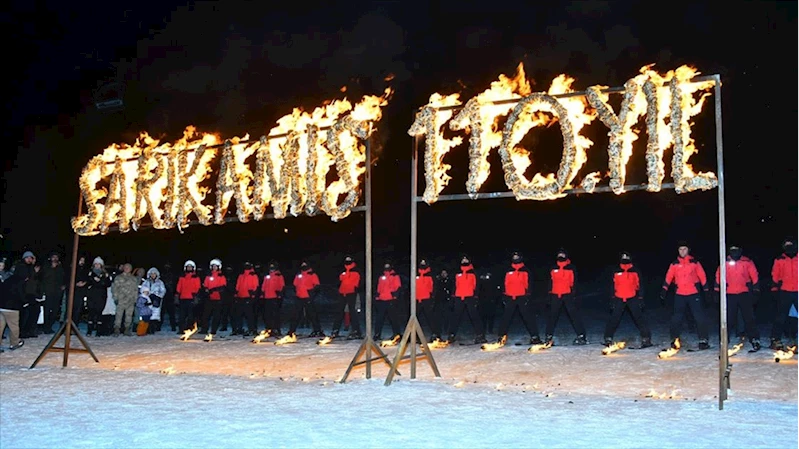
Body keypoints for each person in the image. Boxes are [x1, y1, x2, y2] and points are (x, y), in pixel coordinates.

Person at [660, 241, 710, 350]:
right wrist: (664, 289)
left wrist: (706, 290)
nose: (682, 251)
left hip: (693, 293)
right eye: (680, 249)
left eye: (685, 249)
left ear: (688, 250)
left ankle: (703, 339)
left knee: (699, 317)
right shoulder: (674, 264)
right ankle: (674, 339)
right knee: (676, 318)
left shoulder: (694, 262)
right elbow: (669, 276)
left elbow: (702, 276)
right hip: (680, 294)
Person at [713, 246, 760, 351]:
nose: (735, 252)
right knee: (728, 319)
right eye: (732, 250)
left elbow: (754, 275)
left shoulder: (747, 261)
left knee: (749, 318)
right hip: (730, 294)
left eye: (737, 250)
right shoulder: (724, 262)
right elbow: (718, 276)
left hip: (744, 293)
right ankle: (724, 340)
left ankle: (755, 339)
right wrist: (716, 290)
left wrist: (756, 289)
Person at [603, 251, 652, 348]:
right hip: (619, 297)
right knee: (614, 319)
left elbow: (640, 285)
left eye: (627, 256)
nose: (625, 258)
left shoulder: (635, 270)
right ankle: (608, 337)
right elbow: (612, 285)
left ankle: (646, 338)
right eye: (623, 256)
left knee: (639, 318)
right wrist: (612, 298)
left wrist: (641, 298)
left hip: (632, 297)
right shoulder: (616, 271)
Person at [496, 252, 541, 345]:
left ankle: (535, 336)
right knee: (506, 318)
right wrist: (504, 296)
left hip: (522, 297)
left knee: (528, 317)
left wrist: (528, 296)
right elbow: (503, 283)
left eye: (517, 257)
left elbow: (530, 284)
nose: (515, 258)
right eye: (514, 257)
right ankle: (501, 337)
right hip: (509, 297)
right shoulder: (508, 270)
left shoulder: (526, 270)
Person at [545, 249, 585, 345]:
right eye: (559, 254)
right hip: (555, 294)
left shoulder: (571, 268)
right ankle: (548, 336)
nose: (561, 256)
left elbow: (574, 282)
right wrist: (548, 294)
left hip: (568, 294)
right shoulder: (553, 268)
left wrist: (574, 294)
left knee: (573, 315)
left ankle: (581, 335)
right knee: (552, 316)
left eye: (562, 254)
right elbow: (550, 282)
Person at [447, 255, 485, 344]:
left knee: (474, 316)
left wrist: (476, 297)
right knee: (455, 317)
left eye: (466, 259)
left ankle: (480, 335)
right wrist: (453, 297)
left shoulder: (473, 273)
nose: (464, 260)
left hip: (470, 297)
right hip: (459, 297)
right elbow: (454, 285)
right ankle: (451, 334)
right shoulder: (457, 273)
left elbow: (477, 286)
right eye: (463, 259)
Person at [769, 237, 798, 350]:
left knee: (796, 317)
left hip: (797, 291)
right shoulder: (780, 260)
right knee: (780, 316)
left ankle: (795, 337)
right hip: (785, 291)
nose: (789, 248)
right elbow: (775, 275)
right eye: (787, 245)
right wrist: (774, 288)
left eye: (791, 245)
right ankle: (775, 339)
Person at [288, 260, 323, 337]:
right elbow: (295, 285)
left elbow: (317, 286)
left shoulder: (312, 275)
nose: (303, 266)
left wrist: (311, 294)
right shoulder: (298, 275)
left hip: (308, 297)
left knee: (312, 314)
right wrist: (296, 292)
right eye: (302, 265)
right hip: (299, 297)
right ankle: (291, 331)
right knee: (296, 314)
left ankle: (317, 330)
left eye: (305, 265)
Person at [330, 255, 362, 339]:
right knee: (339, 312)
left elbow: (358, 283)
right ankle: (335, 330)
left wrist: (355, 289)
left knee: (352, 312)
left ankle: (356, 330)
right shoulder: (343, 270)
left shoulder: (356, 271)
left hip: (351, 293)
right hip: (342, 292)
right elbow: (338, 280)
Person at [0, 257, 24, 350]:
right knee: (13, 325)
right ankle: (14, 343)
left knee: (0, 325)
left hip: (2, 305)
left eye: (2, 265)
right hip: (11, 306)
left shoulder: (6, 277)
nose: (1, 267)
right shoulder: (16, 279)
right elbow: (19, 293)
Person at [374, 261, 402, 340]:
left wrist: (395, 296)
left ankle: (397, 334)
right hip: (382, 300)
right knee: (379, 318)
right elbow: (379, 287)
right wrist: (377, 295)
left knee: (393, 318)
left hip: (391, 300)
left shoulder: (395, 276)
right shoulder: (382, 277)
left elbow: (397, 287)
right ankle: (377, 334)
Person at [200, 259, 227, 337]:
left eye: (216, 266)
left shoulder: (221, 276)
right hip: (209, 298)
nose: (214, 268)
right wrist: (206, 290)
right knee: (206, 315)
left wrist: (214, 290)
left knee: (216, 316)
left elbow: (223, 287)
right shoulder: (208, 276)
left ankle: (213, 330)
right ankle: (204, 329)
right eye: (213, 266)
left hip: (218, 299)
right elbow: (205, 285)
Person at [40, 252, 66, 334]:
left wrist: (64, 285)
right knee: (47, 310)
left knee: (55, 310)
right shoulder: (46, 266)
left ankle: (49, 326)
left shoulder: (60, 267)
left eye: (56, 257)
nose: (55, 259)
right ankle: (45, 327)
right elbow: (43, 277)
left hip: (57, 292)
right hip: (48, 291)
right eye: (53, 257)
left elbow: (63, 277)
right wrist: (52, 268)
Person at [416, 258, 441, 341]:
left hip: (427, 299)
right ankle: (414, 335)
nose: (422, 264)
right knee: (414, 317)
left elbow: (434, 287)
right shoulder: (416, 274)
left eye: (424, 262)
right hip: (417, 299)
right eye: (421, 262)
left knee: (430, 317)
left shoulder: (431, 275)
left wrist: (432, 297)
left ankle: (436, 334)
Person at [86, 257, 112, 337]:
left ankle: (98, 331)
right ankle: (89, 331)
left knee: (99, 314)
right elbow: (88, 282)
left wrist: (100, 282)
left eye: (99, 264)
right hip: (92, 296)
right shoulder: (90, 273)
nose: (97, 266)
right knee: (91, 313)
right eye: (96, 264)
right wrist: (95, 282)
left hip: (101, 296)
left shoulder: (105, 274)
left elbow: (108, 284)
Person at [112, 263, 140, 336]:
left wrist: (135, 299)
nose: (127, 269)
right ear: (123, 268)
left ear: (131, 269)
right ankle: (116, 329)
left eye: (129, 267)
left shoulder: (133, 279)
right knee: (118, 315)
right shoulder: (118, 277)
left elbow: (135, 290)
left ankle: (127, 329)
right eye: (126, 267)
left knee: (129, 316)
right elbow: (115, 289)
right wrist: (115, 298)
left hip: (130, 300)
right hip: (121, 299)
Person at [232, 262, 259, 336]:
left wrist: (253, 295)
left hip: (248, 297)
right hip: (240, 296)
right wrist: (236, 294)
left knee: (249, 314)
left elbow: (255, 286)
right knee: (238, 314)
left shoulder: (253, 275)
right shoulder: (241, 275)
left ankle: (252, 329)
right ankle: (239, 329)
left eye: (248, 266)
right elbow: (238, 285)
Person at [260, 261, 285, 336]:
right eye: (270, 267)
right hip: (267, 297)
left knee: (275, 314)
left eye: (273, 267)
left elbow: (282, 285)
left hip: (275, 297)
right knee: (267, 314)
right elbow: (264, 285)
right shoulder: (267, 276)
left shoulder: (279, 276)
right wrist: (262, 293)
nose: (271, 269)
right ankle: (269, 329)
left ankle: (276, 329)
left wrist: (280, 294)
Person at [176, 260, 201, 333]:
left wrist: (196, 296)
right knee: (182, 316)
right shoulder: (182, 277)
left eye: (190, 267)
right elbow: (179, 286)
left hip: (191, 298)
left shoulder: (196, 277)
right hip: (183, 298)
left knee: (191, 316)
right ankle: (181, 329)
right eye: (188, 267)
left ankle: (189, 329)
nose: (189, 268)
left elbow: (198, 287)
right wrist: (177, 295)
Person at [142, 267, 166, 333]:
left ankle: (153, 328)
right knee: (147, 314)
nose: (153, 275)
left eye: (154, 274)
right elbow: (142, 289)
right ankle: (147, 328)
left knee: (155, 314)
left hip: (156, 300)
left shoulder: (160, 282)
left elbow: (163, 290)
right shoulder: (146, 282)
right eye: (151, 274)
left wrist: (158, 296)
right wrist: (146, 294)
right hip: (148, 300)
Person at [478, 268, 501, 335]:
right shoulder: (481, 280)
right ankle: (483, 329)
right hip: (482, 300)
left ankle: (490, 329)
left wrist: (497, 299)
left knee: (491, 316)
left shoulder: (493, 280)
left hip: (491, 300)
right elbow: (479, 289)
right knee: (483, 316)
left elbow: (496, 290)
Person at [160, 263, 178, 332]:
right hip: (163, 295)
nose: (167, 267)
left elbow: (176, 284)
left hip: (170, 295)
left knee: (171, 313)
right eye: (166, 266)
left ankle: (173, 326)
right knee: (161, 312)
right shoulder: (162, 274)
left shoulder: (173, 275)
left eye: (168, 266)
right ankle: (158, 326)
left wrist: (175, 294)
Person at [435, 268, 452, 338]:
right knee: (438, 317)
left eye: (445, 273)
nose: (443, 274)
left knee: (447, 317)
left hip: (447, 301)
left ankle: (448, 331)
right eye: (442, 273)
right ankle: (438, 332)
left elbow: (451, 289)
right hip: (439, 301)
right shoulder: (439, 281)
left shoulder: (449, 281)